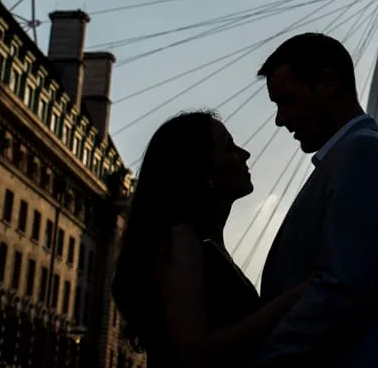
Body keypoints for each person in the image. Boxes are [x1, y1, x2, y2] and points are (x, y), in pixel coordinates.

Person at [250, 33, 378, 367]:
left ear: (328, 83)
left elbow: (340, 289)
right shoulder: (351, 158)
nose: (280, 119)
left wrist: (264, 359)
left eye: (286, 100)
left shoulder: (362, 155)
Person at [112, 111, 309, 368]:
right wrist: (289, 302)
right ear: (203, 169)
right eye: (229, 148)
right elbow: (193, 354)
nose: (245, 154)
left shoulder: (201, 244)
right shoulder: (182, 242)